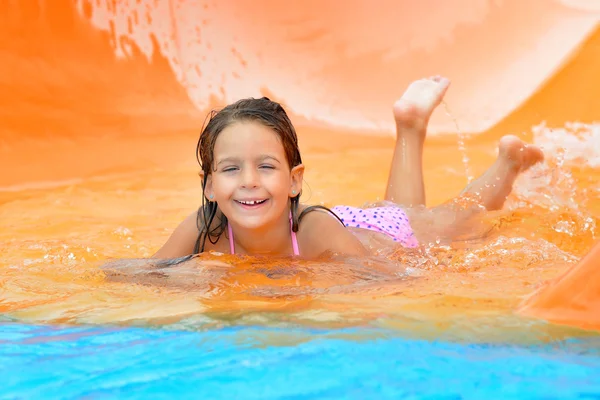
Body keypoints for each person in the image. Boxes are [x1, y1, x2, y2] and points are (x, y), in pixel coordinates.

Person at [151, 76, 544, 260]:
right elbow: (140, 275)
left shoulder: (314, 230)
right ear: (209, 186)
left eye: (266, 166)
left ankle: (506, 165)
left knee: (459, 217)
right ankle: (410, 125)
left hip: (381, 240)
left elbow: (384, 284)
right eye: (231, 170)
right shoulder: (207, 226)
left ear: (294, 180)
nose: (249, 182)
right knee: (401, 209)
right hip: (354, 225)